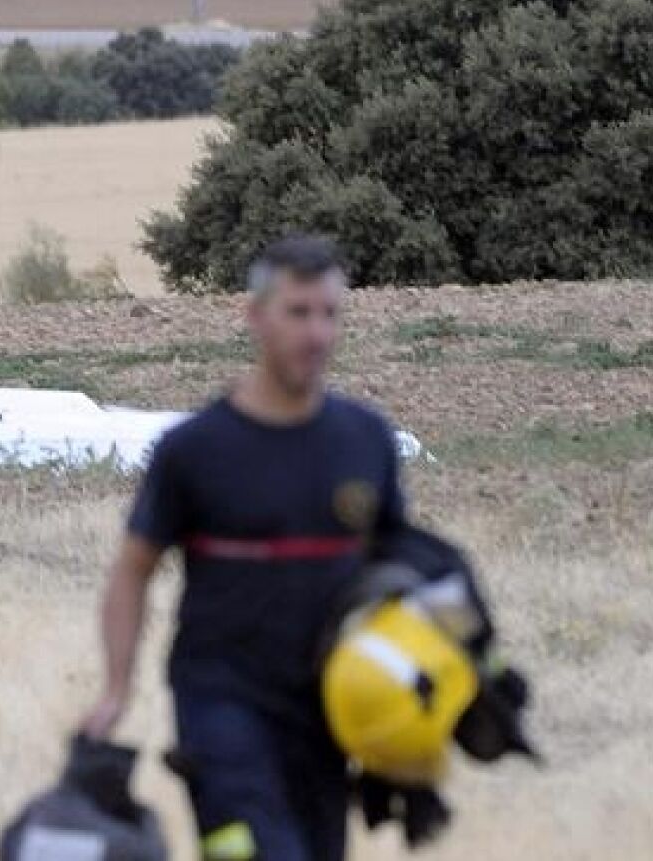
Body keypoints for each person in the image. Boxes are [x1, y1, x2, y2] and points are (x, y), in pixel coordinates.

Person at [80, 235, 407, 861]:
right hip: (221, 706)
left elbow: (399, 569)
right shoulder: (196, 449)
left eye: (330, 314)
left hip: (330, 710)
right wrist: (116, 690)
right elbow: (133, 569)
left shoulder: (365, 440)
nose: (317, 333)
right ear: (255, 316)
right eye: (298, 312)